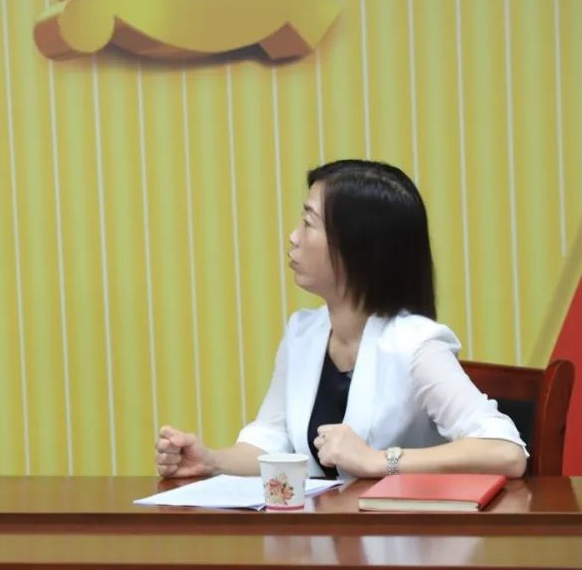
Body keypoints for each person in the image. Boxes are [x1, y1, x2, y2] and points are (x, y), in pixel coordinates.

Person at [155, 159, 527, 480]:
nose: (293, 237)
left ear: (355, 246)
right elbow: (270, 440)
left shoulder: (416, 345)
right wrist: (211, 460)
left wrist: (380, 461)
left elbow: (506, 451)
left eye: (308, 222)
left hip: (407, 536)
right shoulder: (303, 333)